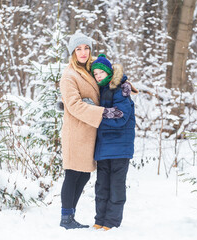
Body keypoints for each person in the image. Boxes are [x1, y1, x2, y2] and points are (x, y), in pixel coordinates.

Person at [59, 33, 124, 230]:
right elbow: (74, 105)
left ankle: (70, 215)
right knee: (72, 173)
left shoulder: (94, 65)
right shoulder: (69, 75)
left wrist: (127, 86)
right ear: (73, 52)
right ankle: (66, 217)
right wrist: (102, 111)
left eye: (86, 48)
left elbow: (114, 76)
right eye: (78, 49)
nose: (83, 52)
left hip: (92, 132)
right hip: (77, 131)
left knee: (85, 174)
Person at [90, 54, 138, 231]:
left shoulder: (121, 90)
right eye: (95, 74)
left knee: (116, 186)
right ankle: (100, 219)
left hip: (120, 147)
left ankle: (111, 222)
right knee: (101, 186)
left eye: (101, 72)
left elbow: (121, 115)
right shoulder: (100, 90)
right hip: (104, 147)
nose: (98, 76)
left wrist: (96, 112)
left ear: (109, 72)